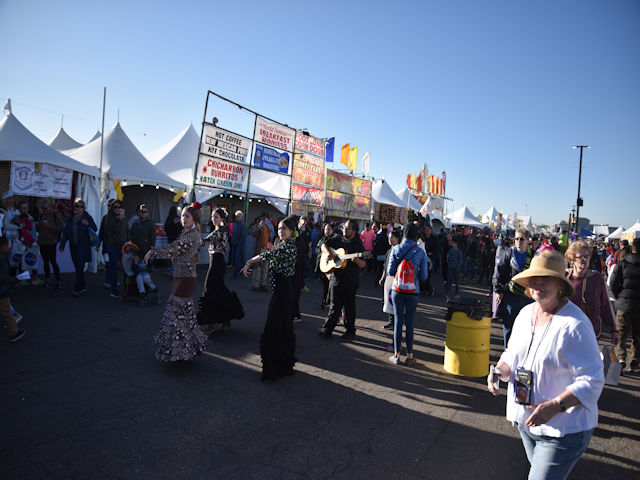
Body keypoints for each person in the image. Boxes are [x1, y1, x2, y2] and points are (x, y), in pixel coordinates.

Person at [488, 249, 604, 480]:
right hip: (527, 423)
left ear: (561, 285)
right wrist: (499, 371)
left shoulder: (575, 325)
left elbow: (593, 380)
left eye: (546, 278)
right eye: (534, 278)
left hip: (563, 429)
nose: (538, 283)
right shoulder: (524, 314)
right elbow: (512, 354)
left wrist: (554, 406)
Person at [144, 203, 210, 362]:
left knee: (176, 313)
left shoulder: (191, 234)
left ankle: (179, 352)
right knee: (182, 315)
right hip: (181, 277)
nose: (183, 219)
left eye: (187, 216)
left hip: (186, 280)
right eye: (182, 216)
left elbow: (174, 248)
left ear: (193, 218)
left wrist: (153, 251)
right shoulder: (186, 231)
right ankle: (184, 350)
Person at [241, 216, 297, 381]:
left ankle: (275, 368)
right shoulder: (283, 245)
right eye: (279, 228)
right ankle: (281, 365)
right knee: (280, 328)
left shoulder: (288, 246)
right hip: (281, 291)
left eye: (284, 228)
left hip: (283, 293)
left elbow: (268, 255)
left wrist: (250, 261)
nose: (281, 231)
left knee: (274, 329)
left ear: (292, 231)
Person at [197, 208, 243, 334]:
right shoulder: (220, 230)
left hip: (217, 263)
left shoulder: (220, 231)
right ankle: (225, 318)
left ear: (222, 218)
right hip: (217, 262)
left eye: (216, 217)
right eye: (212, 216)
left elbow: (204, 241)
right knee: (218, 291)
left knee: (209, 290)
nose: (213, 219)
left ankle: (213, 322)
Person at [387, 223, 428, 366]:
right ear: (417, 235)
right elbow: (424, 276)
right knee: (409, 323)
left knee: (398, 321)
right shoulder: (421, 252)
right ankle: (410, 356)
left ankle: (396, 355)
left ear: (403, 233)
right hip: (413, 291)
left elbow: (390, 272)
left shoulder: (396, 249)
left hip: (397, 290)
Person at [318, 219, 366, 340]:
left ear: (354, 230)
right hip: (336, 279)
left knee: (349, 308)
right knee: (334, 306)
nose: (345, 229)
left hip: (350, 281)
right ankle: (328, 329)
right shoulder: (338, 239)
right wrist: (328, 253)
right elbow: (323, 244)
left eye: (348, 227)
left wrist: (357, 260)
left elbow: (363, 264)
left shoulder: (358, 244)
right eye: (344, 226)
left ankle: (350, 331)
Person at [565, 241, 618, 343]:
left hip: (591, 334)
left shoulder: (597, 279)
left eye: (586, 256)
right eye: (580, 257)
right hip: (566, 334)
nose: (584, 260)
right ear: (572, 259)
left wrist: (614, 329)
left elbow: (606, 306)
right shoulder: (564, 276)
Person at [493, 228, 535, 347]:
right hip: (510, 296)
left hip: (527, 297)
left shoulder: (532, 256)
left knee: (526, 329)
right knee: (509, 328)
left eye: (521, 239)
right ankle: (508, 355)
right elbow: (498, 273)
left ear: (528, 240)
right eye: (516, 239)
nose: (518, 241)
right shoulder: (508, 253)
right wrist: (498, 290)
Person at [610, 237, 640, 373]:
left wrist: (619, 297)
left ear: (632, 248)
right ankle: (634, 361)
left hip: (623, 305)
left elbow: (613, 283)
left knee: (621, 335)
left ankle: (621, 358)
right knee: (637, 336)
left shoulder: (622, 264)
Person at [59, 198, 97, 296]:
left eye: (81, 206)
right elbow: (66, 232)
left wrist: (87, 224)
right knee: (77, 267)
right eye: (77, 206)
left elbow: (95, 228)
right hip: (73, 246)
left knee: (80, 267)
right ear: (74, 207)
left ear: (83, 208)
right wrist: (62, 244)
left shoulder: (87, 217)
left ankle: (77, 288)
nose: (79, 208)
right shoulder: (72, 218)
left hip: (83, 246)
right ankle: (83, 285)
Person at [0, 236, 24, 342]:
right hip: (2, 290)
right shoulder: (2, 260)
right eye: (7, 245)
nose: (9, 248)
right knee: (7, 312)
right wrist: (15, 280)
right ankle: (14, 332)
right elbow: (4, 277)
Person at [36, 199, 64, 289]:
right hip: (42, 242)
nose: (44, 210)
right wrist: (40, 225)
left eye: (45, 208)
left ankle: (58, 281)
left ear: (50, 207)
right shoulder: (41, 216)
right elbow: (37, 228)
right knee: (45, 262)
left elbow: (61, 228)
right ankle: (47, 280)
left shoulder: (56, 216)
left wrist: (49, 226)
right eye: (42, 208)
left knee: (53, 262)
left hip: (51, 243)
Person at [104, 200, 127, 297]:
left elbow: (125, 231)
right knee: (113, 268)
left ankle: (127, 289)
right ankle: (114, 290)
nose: (117, 209)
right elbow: (108, 228)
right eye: (115, 207)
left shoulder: (123, 218)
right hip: (112, 245)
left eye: (119, 207)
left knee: (125, 267)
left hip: (122, 246)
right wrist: (117, 219)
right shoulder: (109, 217)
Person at [379, 229, 401, 331]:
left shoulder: (400, 251)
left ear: (398, 239)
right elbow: (385, 266)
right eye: (389, 237)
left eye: (392, 237)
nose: (390, 239)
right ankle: (391, 322)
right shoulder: (389, 251)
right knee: (388, 301)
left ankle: (397, 322)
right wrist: (383, 277)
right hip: (388, 279)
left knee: (395, 301)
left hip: (396, 280)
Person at [315, 222, 335, 309]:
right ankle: (325, 300)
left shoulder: (335, 240)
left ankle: (328, 301)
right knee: (325, 285)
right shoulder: (322, 239)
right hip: (322, 265)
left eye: (329, 229)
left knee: (331, 286)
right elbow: (318, 250)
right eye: (326, 229)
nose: (327, 231)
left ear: (332, 230)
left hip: (331, 266)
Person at [249, 213, 270, 292]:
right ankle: (255, 285)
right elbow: (253, 234)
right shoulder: (259, 226)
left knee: (265, 268)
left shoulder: (268, 227)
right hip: (260, 249)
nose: (266, 221)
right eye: (265, 219)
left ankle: (263, 284)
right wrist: (258, 226)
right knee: (257, 268)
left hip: (267, 249)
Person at [231, 210, 247, 278]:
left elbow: (243, 235)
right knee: (235, 259)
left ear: (241, 217)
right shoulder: (235, 223)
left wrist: (239, 243)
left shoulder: (242, 224)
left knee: (237, 259)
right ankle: (241, 270)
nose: (236, 217)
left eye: (237, 216)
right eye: (236, 216)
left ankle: (236, 274)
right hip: (234, 243)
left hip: (239, 244)